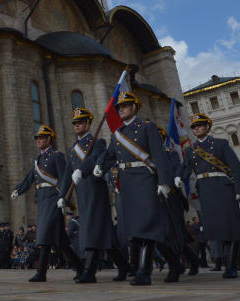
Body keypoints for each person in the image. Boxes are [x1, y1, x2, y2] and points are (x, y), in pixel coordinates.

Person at [94, 91, 182, 285]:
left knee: (147, 226)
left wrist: (164, 182)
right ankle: (175, 263)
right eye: (119, 107)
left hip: (145, 179)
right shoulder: (117, 134)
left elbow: (159, 155)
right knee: (139, 228)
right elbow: (110, 155)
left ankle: (145, 271)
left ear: (135, 107)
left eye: (125, 105)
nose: (121, 109)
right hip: (126, 183)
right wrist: (100, 166)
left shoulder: (146, 127)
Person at [58, 107, 129, 283]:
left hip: (95, 189)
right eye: (75, 123)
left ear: (89, 124)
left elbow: (94, 158)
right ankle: (124, 266)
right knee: (104, 233)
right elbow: (68, 173)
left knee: (91, 229)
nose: (77, 125)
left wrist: (81, 170)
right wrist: (63, 196)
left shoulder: (98, 142)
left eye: (81, 122)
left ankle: (90, 271)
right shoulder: (73, 148)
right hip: (82, 192)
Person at [178, 112, 240, 279]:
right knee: (217, 229)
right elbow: (186, 167)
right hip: (205, 190)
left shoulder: (220, 144)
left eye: (200, 125)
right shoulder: (190, 150)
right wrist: (179, 177)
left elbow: (236, 168)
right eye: (194, 126)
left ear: (207, 127)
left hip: (222, 188)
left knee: (229, 227)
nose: (197, 128)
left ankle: (230, 266)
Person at [12, 125, 82, 282]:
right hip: (42, 199)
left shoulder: (57, 156)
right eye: (37, 138)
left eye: (42, 138)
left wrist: (63, 197)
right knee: (61, 242)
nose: (39, 141)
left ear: (49, 139)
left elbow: (65, 177)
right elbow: (30, 178)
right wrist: (18, 190)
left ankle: (41, 273)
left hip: (53, 199)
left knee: (43, 235)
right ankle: (80, 267)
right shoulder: (38, 160)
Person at [157, 126, 200, 276]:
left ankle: (190, 262)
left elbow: (173, 169)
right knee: (162, 234)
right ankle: (178, 263)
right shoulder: (148, 156)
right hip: (157, 200)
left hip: (172, 197)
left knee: (175, 234)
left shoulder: (169, 153)